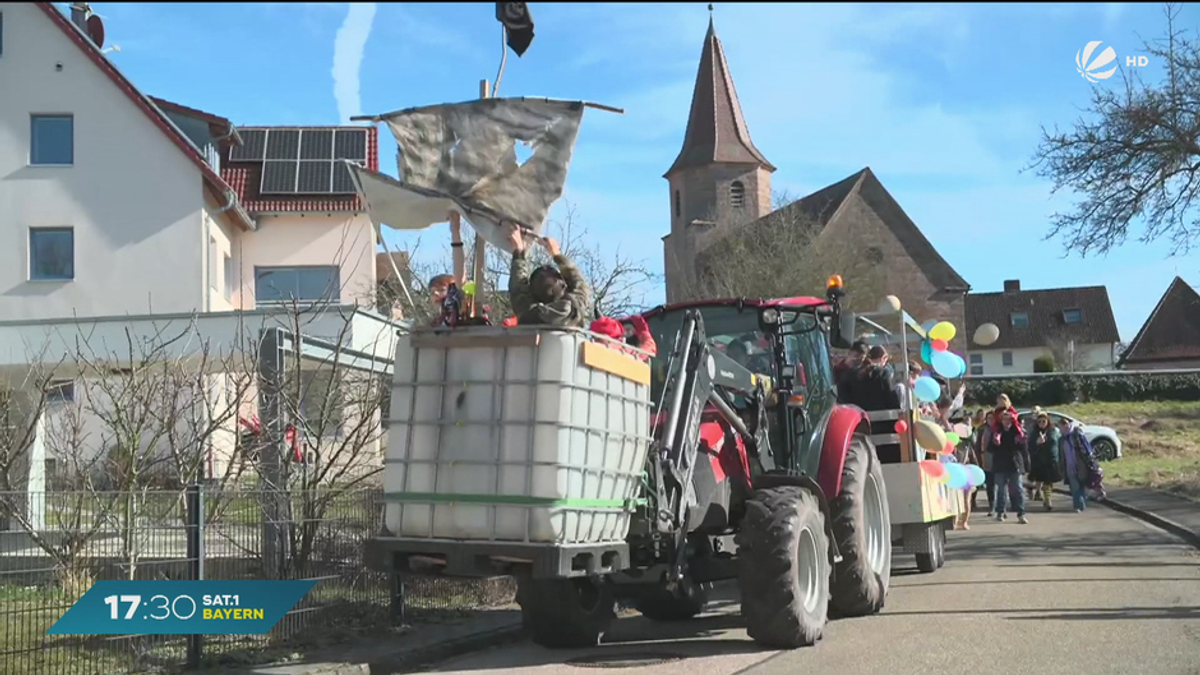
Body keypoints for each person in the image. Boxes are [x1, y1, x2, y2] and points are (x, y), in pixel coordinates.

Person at [507, 223, 591, 328]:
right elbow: (579, 283)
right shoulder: (574, 311)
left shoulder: (527, 315)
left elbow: (518, 287)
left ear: (532, 293)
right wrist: (556, 253)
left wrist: (519, 251)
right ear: (564, 286)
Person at [426, 212, 469, 323]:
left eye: (441, 290)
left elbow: (460, 272)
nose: (435, 294)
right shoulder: (437, 322)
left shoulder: (460, 310)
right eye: (432, 292)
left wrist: (455, 233)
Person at [991, 410, 1030, 524]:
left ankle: (1021, 514)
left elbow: (1024, 450)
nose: (1007, 422)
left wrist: (1021, 442)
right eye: (1004, 419)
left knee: (1018, 489)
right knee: (1001, 490)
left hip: (1015, 465)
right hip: (1000, 465)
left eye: (1009, 420)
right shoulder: (997, 432)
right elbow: (990, 449)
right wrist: (995, 442)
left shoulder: (1018, 432)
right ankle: (1000, 512)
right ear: (1001, 421)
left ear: (1013, 421)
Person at [1027, 412, 1062, 511]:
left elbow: (1058, 443)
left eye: (1044, 421)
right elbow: (1030, 447)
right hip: (1039, 461)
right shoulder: (1035, 433)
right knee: (1043, 481)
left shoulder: (1053, 431)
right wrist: (1037, 443)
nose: (1042, 423)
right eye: (1039, 421)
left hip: (1051, 459)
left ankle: (1047, 500)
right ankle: (1047, 500)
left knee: (1049, 482)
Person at [1057, 417, 1092, 512]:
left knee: (1082, 485)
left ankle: (1081, 502)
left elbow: (1086, 448)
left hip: (1081, 465)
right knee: (1075, 487)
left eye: (1062, 426)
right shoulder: (1061, 440)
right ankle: (1078, 506)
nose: (1061, 429)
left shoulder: (1076, 435)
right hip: (1069, 466)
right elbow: (1061, 454)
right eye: (1060, 427)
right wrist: (1061, 466)